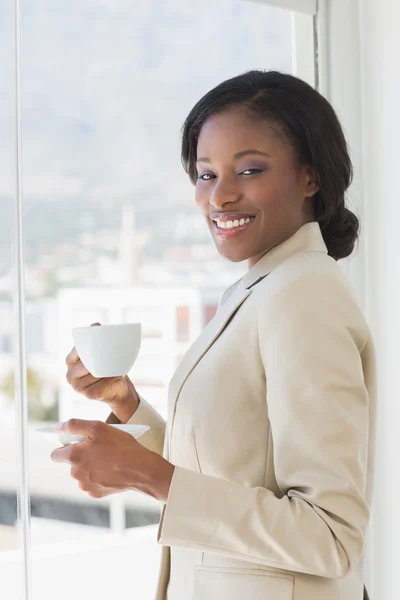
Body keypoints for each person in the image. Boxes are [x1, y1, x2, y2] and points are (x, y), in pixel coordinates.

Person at [52, 70, 376, 600]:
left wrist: (150, 476)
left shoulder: (302, 296)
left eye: (248, 170)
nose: (220, 196)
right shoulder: (263, 287)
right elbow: (228, 468)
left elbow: (331, 536)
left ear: (311, 177)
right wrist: (128, 404)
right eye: (205, 175)